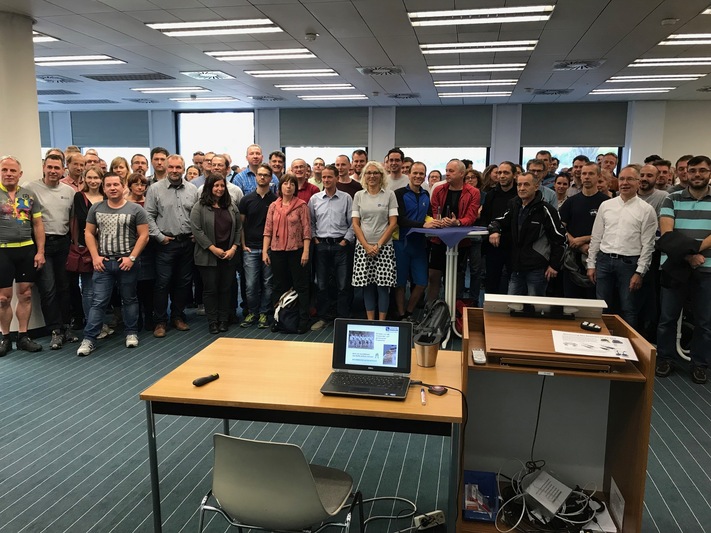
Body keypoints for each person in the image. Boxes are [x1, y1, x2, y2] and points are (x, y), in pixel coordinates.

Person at [76, 173, 149, 356]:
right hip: (104, 263)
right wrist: (95, 257)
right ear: (104, 188)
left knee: (129, 299)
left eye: (116, 184)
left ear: (123, 186)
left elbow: (144, 235)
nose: (112, 188)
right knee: (98, 301)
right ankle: (89, 339)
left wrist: (132, 258)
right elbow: (89, 233)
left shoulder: (135, 209)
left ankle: (131, 332)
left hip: (127, 263)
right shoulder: (96, 208)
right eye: (108, 185)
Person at [654, 155, 711, 384]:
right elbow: (667, 233)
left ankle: (700, 364)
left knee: (704, 321)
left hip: (707, 269)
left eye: (702, 170)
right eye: (692, 170)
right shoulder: (672, 198)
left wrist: (695, 250)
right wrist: (689, 256)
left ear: (709, 173)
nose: (697, 175)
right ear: (685, 173)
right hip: (674, 266)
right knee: (667, 318)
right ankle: (665, 358)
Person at [586, 165, 657, 328]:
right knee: (601, 306)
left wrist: (640, 272)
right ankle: (601, 339)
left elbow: (648, 245)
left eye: (630, 179)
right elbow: (596, 236)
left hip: (630, 264)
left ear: (638, 182)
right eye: (622, 179)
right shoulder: (606, 205)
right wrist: (591, 264)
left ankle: (629, 342)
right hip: (604, 261)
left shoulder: (646, 210)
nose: (625, 183)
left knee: (628, 308)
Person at [25, 153, 77, 350]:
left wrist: (74, 243)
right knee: (48, 289)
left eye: (57, 167)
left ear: (63, 170)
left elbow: (72, 220)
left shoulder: (69, 191)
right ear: (44, 168)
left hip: (63, 243)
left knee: (65, 287)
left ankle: (67, 326)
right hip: (42, 245)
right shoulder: (30, 188)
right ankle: (55, 330)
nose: (53, 171)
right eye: (50, 167)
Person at [144, 154, 199, 338]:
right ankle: (160, 321)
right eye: (171, 167)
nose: (175, 171)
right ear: (166, 168)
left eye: (178, 167)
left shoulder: (192, 189)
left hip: (187, 242)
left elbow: (197, 214)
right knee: (163, 283)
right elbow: (148, 215)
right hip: (165, 243)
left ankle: (178, 316)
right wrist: (159, 237)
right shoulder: (155, 189)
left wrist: (196, 234)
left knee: (183, 282)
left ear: (183, 169)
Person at [488, 172, 566, 296]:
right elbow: (500, 220)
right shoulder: (514, 205)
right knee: (512, 303)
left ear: (536, 187)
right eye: (519, 185)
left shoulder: (546, 210)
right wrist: (495, 231)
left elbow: (559, 239)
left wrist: (554, 265)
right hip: (516, 266)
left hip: (537, 268)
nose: (522, 188)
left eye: (526, 184)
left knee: (536, 305)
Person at [0, 156, 45, 356]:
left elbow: (38, 224)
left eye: (13, 170)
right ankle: (5, 337)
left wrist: (40, 251)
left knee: (25, 295)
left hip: (26, 249)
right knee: (3, 298)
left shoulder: (29, 195)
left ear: (20, 174)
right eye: (4, 170)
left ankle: (23, 336)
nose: (9, 174)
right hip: (3, 250)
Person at [190, 174, 242, 334]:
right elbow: (197, 230)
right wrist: (213, 248)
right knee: (210, 289)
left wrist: (234, 248)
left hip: (229, 255)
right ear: (209, 187)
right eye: (216, 186)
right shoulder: (199, 207)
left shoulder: (231, 206)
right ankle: (213, 321)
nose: (219, 189)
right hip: (208, 255)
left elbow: (238, 228)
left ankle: (224, 319)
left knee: (226, 289)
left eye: (222, 186)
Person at [427, 159, 481, 304]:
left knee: (455, 277)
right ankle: (430, 309)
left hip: (460, 241)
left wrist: (457, 222)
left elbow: (471, 216)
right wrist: (440, 220)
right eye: (446, 171)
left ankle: (452, 309)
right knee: (433, 275)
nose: (447, 174)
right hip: (438, 238)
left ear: (462, 173)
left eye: (451, 171)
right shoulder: (438, 189)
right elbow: (434, 211)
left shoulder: (473, 192)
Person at [263, 174, 312, 333]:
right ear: (280, 186)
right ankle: (278, 319)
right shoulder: (273, 206)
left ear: (295, 187)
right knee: (278, 286)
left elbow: (307, 231)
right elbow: (268, 230)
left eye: (292, 184)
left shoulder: (302, 205)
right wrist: (265, 251)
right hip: (277, 252)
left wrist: (306, 251)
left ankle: (302, 321)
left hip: (297, 251)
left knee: (301, 286)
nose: (289, 186)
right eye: (285, 183)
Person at [308, 164, 354, 331]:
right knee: (321, 284)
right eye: (324, 177)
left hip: (341, 245)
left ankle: (342, 318)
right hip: (321, 246)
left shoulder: (346, 198)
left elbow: (353, 223)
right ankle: (324, 317)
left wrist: (345, 241)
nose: (326, 180)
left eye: (329, 177)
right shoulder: (315, 199)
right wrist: (315, 239)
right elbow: (310, 222)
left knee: (343, 285)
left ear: (336, 178)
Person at [351, 161, 398, 320]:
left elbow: (393, 223)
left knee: (383, 287)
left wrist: (378, 245)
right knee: (368, 286)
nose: (372, 176)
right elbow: (355, 224)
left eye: (375, 173)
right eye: (368, 173)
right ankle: (371, 322)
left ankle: (381, 322)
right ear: (364, 176)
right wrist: (366, 246)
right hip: (363, 248)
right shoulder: (358, 195)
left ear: (381, 175)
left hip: (384, 247)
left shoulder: (389, 195)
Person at [394, 161, 435, 321]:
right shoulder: (399, 194)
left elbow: (428, 215)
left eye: (421, 173)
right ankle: (401, 314)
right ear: (409, 174)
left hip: (419, 244)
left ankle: (409, 311)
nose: (418, 176)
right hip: (401, 243)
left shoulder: (426, 195)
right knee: (400, 283)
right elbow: (400, 219)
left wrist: (434, 222)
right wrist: (422, 224)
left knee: (422, 282)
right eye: (415, 173)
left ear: (424, 176)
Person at [239, 163, 277, 329]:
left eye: (265, 175)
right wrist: (243, 245)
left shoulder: (275, 200)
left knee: (268, 284)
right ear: (256, 177)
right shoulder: (246, 199)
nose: (262, 177)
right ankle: (252, 312)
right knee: (250, 285)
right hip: (250, 248)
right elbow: (241, 225)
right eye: (259, 174)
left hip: (269, 249)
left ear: (270, 178)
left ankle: (264, 313)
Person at [72, 168, 105, 325]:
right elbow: (83, 220)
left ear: (101, 179)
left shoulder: (106, 196)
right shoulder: (80, 197)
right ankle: (92, 323)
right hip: (87, 247)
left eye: (96, 177)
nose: (93, 181)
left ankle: (101, 322)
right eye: (89, 177)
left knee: (102, 288)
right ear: (84, 179)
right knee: (89, 288)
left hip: (106, 246)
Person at [126, 172, 156, 331]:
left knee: (149, 285)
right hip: (130, 248)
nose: (139, 187)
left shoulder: (149, 203)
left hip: (149, 247)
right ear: (130, 186)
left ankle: (149, 317)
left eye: (143, 184)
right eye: (136, 184)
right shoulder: (124, 203)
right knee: (133, 285)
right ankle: (135, 319)